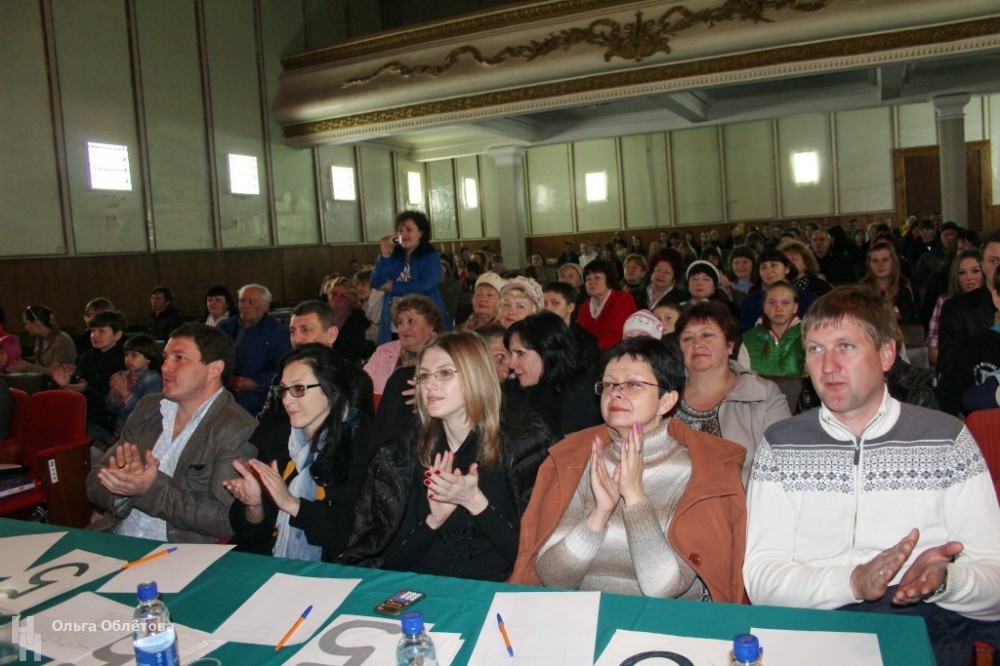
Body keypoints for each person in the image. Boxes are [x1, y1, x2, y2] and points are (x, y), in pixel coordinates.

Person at [743, 287, 1000, 666]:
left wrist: (946, 581)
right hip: (812, 621)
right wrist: (854, 582)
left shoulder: (946, 439)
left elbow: (994, 580)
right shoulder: (781, 445)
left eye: (845, 346)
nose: (828, 365)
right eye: (815, 349)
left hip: (921, 618)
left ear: (886, 354)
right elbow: (762, 580)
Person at [509, 336, 747, 602]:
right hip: (586, 611)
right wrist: (599, 514)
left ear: (666, 401)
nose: (616, 393)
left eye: (634, 384)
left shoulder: (697, 471)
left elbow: (664, 588)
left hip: (660, 619)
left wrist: (635, 498)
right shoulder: (580, 459)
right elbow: (554, 578)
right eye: (610, 384)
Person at [341, 331, 552, 582]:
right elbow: (391, 563)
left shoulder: (521, 445)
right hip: (424, 589)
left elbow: (536, 560)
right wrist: (433, 520)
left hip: (494, 591)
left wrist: (476, 503)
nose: (429, 384)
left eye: (444, 373)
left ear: (475, 376)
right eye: (424, 375)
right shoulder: (408, 447)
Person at [86, 324, 258, 543]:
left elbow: (224, 519)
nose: (165, 367)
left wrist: (148, 489)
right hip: (119, 537)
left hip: (175, 551)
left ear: (214, 370)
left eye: (179, 358)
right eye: (166, 357)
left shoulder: (236, 428)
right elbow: (95, 478)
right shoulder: (150, 407)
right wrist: (122, 491)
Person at [225, 344, 374, 561]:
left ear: (332, 391)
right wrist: (255, 506)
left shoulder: (364, 443)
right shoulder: (276, 436)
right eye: (283, 390)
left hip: (334, 568)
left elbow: (353, 532)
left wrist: (293, 505)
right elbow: (251, 536)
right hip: (269, 560)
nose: (287, 399)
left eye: (298, 389)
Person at [674, 302, 790, 482]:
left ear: (730, 345)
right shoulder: (663, 397)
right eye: (688, 338)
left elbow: (783, 464)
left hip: (744, 497)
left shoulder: (763, 394)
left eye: (707, 335)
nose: (697, 344)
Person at [503, 311, 602, 441]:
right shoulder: (510, 392)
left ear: (547, 351)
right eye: (511, 354)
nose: (511, 364)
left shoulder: (589, 394)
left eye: (520, 353)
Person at [372, 210, 453, 344]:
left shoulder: (430, 256)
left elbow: (427, 284)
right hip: (395, 322)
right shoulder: (394, 255)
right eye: (400, 230)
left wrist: (394, 287)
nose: (404, 234)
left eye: (409, 230)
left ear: (420, 232)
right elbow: (376, 282)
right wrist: (385, 255)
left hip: (423, 321)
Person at [288, 300, 374, 416]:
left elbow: (355, 426)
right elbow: (270, 422)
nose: (296, 339)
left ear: (331, 334)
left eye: (305, 330)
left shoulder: (354, 381)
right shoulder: (285, 376)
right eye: (292, 331)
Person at [51, 310, 127, 441]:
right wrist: (66, 383)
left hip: (103, 420)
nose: (95, 335)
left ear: (117, 334)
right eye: (92, 331)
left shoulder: (123, 359)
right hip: (79, 415)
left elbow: (112, 400)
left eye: (101, 331)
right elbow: (76, 385)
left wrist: (86, 389)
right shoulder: (87, 356)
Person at [218, 284, 292, 415]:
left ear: (266, 306)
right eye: (241, 301)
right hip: (223, 393)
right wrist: (225, 377)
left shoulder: (278, 333)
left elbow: (285, 369)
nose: (244, 306)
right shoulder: (224, 327)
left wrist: (256, 383)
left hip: (259, 398)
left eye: (251, 302)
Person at [363, 294, 442, 396]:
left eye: (411, 321)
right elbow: (362, 385)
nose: (404, 329)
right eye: (400, 322)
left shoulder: (443, 356)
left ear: (430, 326)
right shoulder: (383, 351)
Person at [926, 249, 984, 368]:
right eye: (962, 273)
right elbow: (933, 351)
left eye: (975, 271)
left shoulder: (995, 301)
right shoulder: (944, 301)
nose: (969, 277)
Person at [739, 249, 817, 332]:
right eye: (763, 267)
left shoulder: (808, 299)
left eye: (773, 265)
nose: (769, 271)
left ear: (787, 269)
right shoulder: (750, 303)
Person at [737, 282, 804, 377]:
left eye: (785, 303)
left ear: (795, 307)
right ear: (764, 307)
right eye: (772, 303)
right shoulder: (750, 339)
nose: (778, 308)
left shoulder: (807, 337)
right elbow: (744, 379)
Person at [105, 334, 163, 440]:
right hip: (120, 431)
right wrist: (116, 395)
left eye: (134, 355)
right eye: (126, 355)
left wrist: (125, 394)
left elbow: (145, 412)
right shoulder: (123, 376)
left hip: (140, 434)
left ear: (148, 358)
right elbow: (111, 408)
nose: (128, 359)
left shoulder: (153, 380)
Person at [577, 259, 638, 350]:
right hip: (593, 354)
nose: (591, 282)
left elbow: (617, 337)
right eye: (588, 279)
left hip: (623, 351)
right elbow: (580, 336)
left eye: (597, 277)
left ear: (608, 280)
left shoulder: (623, 299)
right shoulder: (584, 307)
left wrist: (590, 352)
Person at [542, 281, 598, 370]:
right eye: (544, 304)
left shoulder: (585, 340)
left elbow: (586, 374)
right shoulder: (535, 334)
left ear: (570, 307)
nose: (547, 308)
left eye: (555, 303)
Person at [859, 241, 918, 325]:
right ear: (869, 264)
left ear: (893, 262)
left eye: (885, 260)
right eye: (875, 261)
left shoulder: (906, 287)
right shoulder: (861, 290)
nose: (880, 265)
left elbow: (909, 318)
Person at [11, 304, 76, 373]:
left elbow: (58, 373)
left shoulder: (62, 342)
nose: (25, 327)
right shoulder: (40, 338)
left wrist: (28, 367)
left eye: (26, 323)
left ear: (36, 323)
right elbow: (39, 362)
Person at [322, 276, 369, 364]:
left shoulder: (357, 321)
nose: (337, 299)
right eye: (334, 294)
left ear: (351, 299)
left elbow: (353, 354)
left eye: (343, 296)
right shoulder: (321, 315)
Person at [354, 269, 383, 344]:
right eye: (357, 284)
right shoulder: (362, 302)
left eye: (364, 284)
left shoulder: (378, 303)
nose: (359, 288)